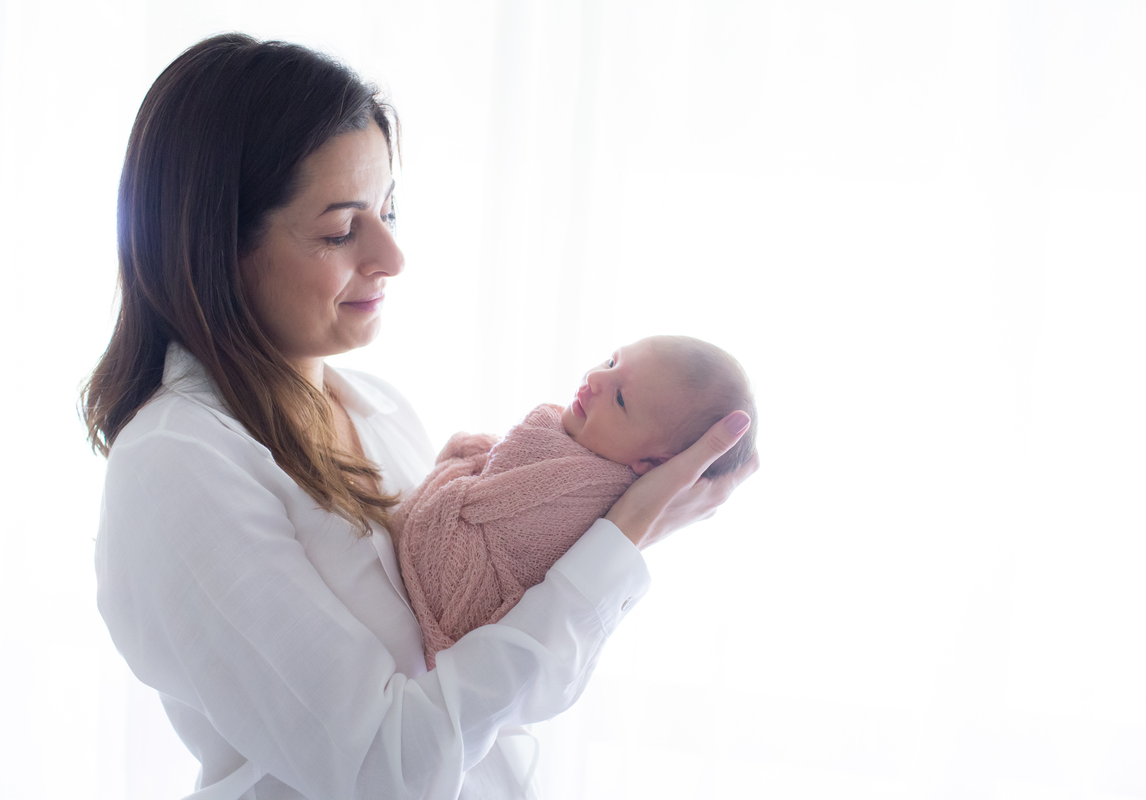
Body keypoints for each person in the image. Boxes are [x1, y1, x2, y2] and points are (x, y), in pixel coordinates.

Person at [83, 33, 758, 800]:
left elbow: (503, 689)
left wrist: (610, 529)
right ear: (217, 245)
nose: (392, 255)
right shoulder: (178, 466)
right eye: (342, 229)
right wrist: (616, 543)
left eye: (390, 208)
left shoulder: (377, 409)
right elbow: (388, 771)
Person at [394, 335, 757, 668]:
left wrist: (463, 461)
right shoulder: (574, 448)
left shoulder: (592, 499)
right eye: (612, 363)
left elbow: (491, 523)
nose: (597, 380)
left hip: (459, 598)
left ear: (651, 464)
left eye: (620, 399)